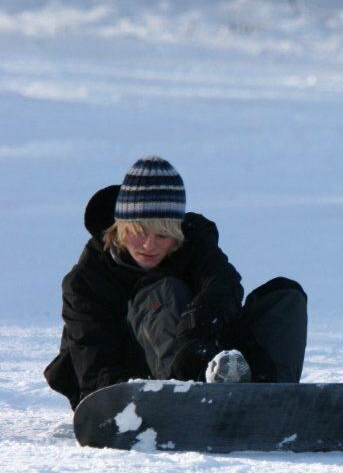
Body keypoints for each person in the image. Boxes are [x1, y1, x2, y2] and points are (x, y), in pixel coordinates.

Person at [45, 156, 308, 410]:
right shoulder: (86, 281)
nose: (149, 245)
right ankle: (187, 399)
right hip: (133, 386)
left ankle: (270, 398)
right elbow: (92, 357)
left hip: (209, 360)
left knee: (285, 295)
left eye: (162, 235)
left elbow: (223, 285)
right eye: (139, 232)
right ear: (121, 227)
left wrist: (194, 336)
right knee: (163, 292)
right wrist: (112, 402)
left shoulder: (196, 244)